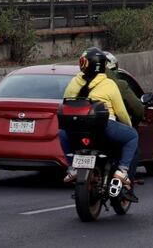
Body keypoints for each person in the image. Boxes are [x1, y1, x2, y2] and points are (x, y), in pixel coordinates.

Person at [58, 47, 140, 202]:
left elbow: (66, 102)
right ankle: (122, 171)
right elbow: (121, 111)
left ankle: (72, 168)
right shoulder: (109, 84)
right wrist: (128, 126)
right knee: (132, 137)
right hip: (103, 129)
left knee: (61, 133)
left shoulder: (74, 82)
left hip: (76, 131)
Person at [104, 51, 145, 182]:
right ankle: (126, 181)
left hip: (80, 128)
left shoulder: (79, 82)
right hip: (107, 126)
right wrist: (129, 123)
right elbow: (135, 109)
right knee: (132, 138)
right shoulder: (116, 85)